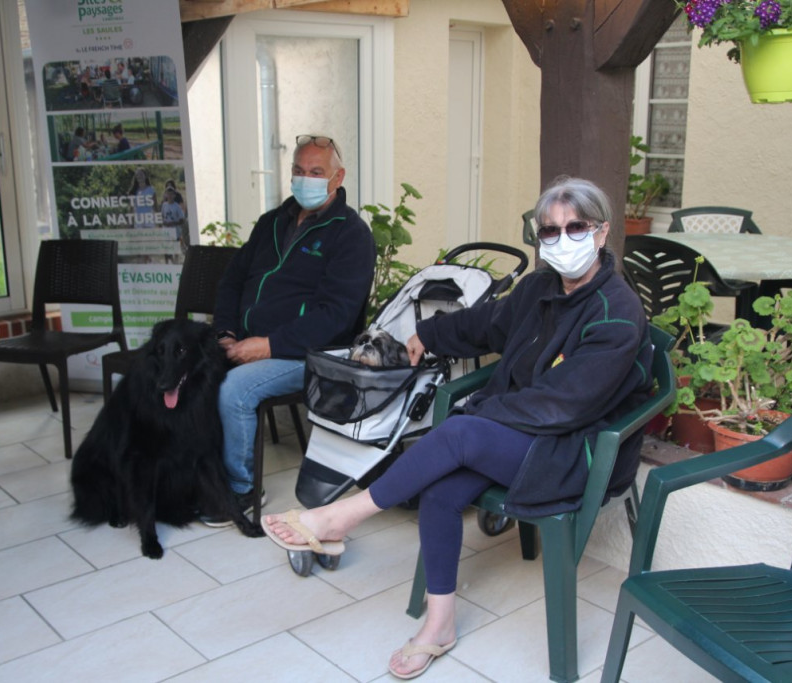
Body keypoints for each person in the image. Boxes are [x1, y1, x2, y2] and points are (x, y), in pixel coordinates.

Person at [263, 176, 654, 679]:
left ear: (601, 233)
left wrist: (481, 415)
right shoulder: (540, 287)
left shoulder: (616, 313)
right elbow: (485, 324)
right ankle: (440, 624)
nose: (562, 240)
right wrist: (427, 333)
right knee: (442, 488)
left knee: (459, 432)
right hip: (524, 429)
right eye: (549, 231)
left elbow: (566, 405)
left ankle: (339, 518)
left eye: (575, 227)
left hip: (576, 449)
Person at [205, 134, 376, 525]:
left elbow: (336, 316)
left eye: (316, 172)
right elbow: (232, 281)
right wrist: (225, 332)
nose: (305, 179)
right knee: (185, 374)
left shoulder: (351, 235)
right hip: (246, 341)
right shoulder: (271, 223)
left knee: (234, 390)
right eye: (299, 170)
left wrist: (268, 345)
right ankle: (196, 477)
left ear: (337, 178)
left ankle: (240, 490)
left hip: (311, 354)